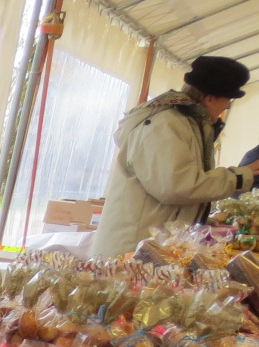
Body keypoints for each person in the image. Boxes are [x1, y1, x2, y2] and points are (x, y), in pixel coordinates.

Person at [92, 56, 254, 258]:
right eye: (228, 99)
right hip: (132, 248)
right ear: (210, 98)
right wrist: (238, 177)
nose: (228, 106)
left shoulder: (188, 124)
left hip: (151, 245)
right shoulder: (166, 124)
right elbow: (176, 185)